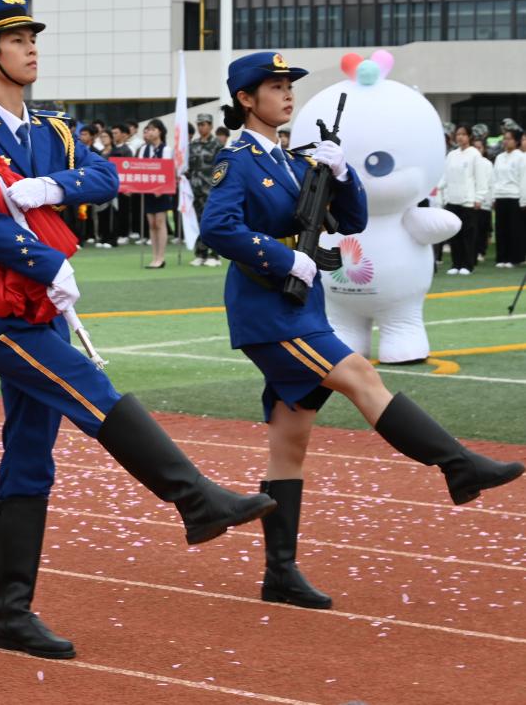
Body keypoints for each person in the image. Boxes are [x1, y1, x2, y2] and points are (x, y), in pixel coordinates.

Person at [0, 0, 276, 660]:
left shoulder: (54, 130)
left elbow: (104, 175)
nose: (31, 49)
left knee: (30, 457)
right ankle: (194, 497)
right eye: (16, 39)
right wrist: (44, 262)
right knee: (92, 392)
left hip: (44, 312)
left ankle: (12, 614)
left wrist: (51, 188)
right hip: (0, 314)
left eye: (33, 38)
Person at [201, 51, 523, 611]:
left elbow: (349, 221)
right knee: (360, 374)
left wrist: (342, 173)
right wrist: (285, 262)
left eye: (288, 85)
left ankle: (280, 574)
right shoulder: (241, 161)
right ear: (246, 100)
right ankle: (457, 465)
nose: (286, 94)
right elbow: (218, 226)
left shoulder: (291, 160)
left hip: (299, 308)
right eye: (273, 87)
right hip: (269, 312)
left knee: (288, 443)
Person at [439, 124, 484, 275]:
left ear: (469, 137)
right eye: (458, 134)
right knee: (454, 235)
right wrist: (445, 196)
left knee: (467, 235)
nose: (460, 137)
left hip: (468, 201)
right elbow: (445, 178)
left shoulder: (474, 154)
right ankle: (456, 264)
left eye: (463, 134)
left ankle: (467, 265)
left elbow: (480, 178)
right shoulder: (451, 155)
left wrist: (478, 198)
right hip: (452, 200)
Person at [188, 112, 223, 266]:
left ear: (210, 125)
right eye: (199, 124)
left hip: (211, 190)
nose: (200, 127)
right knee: (198, 223)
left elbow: (222, 169)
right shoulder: (193, 145)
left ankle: (215, 255)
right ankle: (201, 253)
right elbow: (188, 167)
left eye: (203, 124)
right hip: (195, 191)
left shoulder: (217, 145)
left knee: (212, 222)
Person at [137, 118, 173, 268]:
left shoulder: (166, 149)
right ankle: (154, 256)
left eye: (152, 129)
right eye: (148, 130)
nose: (149, 132)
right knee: (151, 223)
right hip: (148, 190)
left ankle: (161, 257)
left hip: (161, 191)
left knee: (159, 222)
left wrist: (161, 188)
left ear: (160, 131)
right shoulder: (143, 150)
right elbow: (138, 168)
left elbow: (168, 170)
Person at [492, 127, 526, 267]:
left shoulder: (521, 157)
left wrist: (523, 200)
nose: (505, 141)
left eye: (509, 139)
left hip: (514, 197)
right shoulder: (499, 157)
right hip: (500, 196)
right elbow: (494, 178)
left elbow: (524, 179)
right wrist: (493, 197)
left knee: (515, 230)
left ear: (516, 141)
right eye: (504, 138)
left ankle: (515, 258)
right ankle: (502, 258)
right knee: (501, 229)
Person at [471, 126, 494, 262]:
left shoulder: (487, 164)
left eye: (480, 148)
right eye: (475, 148)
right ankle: (472, 252)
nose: (477, 151)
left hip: (484, 203)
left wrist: (489, 200)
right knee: (472, 229)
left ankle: (481, 251)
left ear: (484, 149)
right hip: (470, 201)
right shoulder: (469, 162)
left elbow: (490, 183)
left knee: (482, 229)